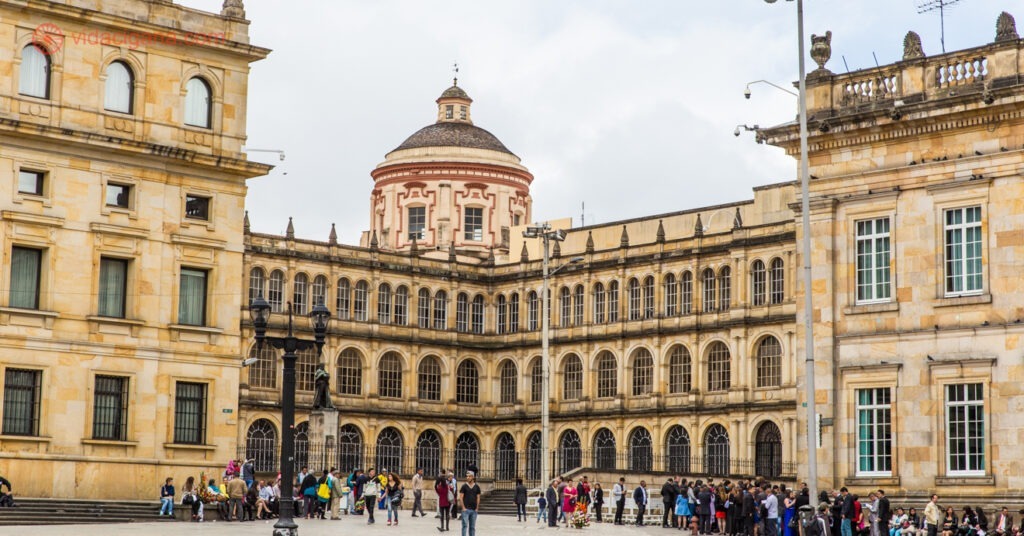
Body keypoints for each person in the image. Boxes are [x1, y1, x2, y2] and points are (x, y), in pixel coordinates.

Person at [459, 470, 481, 536]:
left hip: (474, 510)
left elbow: (478, 498)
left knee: (472, 527)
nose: (468, 477)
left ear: (473, 477)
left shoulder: (477, 487)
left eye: (469, 476)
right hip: (466, 510)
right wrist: (463, 508)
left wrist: (477, 508)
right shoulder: (464, 486)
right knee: (464, 526)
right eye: (467, 476)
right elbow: (461, 497)